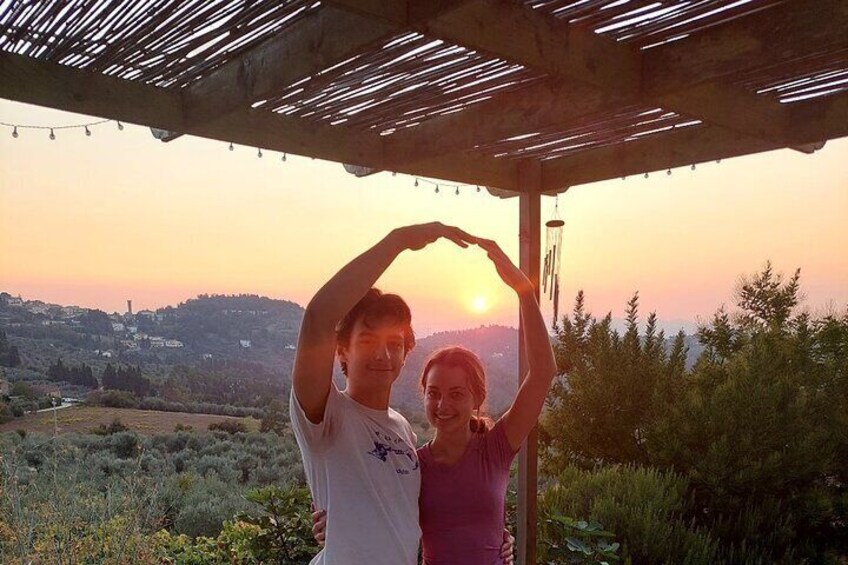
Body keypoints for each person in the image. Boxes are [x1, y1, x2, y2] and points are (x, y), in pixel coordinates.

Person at [310, 237, 557, 565]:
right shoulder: (414, 462)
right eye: (434, 393)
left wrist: (524, 290)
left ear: (477, 399)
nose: (443, 405)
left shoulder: (496, 448)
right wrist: (337, 522)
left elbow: (542, 372)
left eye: (457, 394)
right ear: (423, 394)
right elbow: (376, 501)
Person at [291, 222, 494, 565]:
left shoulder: (403, 429)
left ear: (406, 352)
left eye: (394, 344)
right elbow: (318, 317)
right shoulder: (325, 414)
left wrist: (494, 531)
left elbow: (410, 513)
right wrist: (397, 242)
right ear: (341, 350)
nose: (383, 355)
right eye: (368, 341)